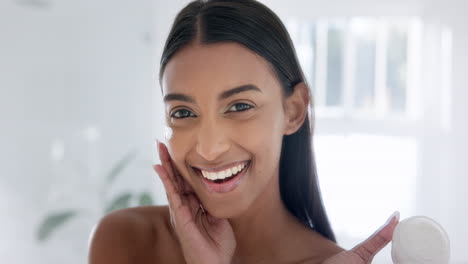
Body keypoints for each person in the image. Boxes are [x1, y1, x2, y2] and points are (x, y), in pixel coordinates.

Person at [88, 0, 400, 263]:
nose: (209, 149)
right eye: (183, 112)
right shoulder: (126, 241)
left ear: (293, 111)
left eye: (239, 107)